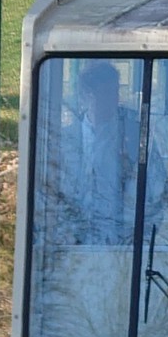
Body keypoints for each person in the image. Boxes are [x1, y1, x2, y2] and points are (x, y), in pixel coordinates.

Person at [51, 61, 144, 243]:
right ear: (87, 96)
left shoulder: (133, 136)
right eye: (106, 93)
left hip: (123, 243)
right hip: (73, 243)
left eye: (115, 92)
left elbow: (155, 192)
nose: (113, 100)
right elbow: (54, 192)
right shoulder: (65, 140)